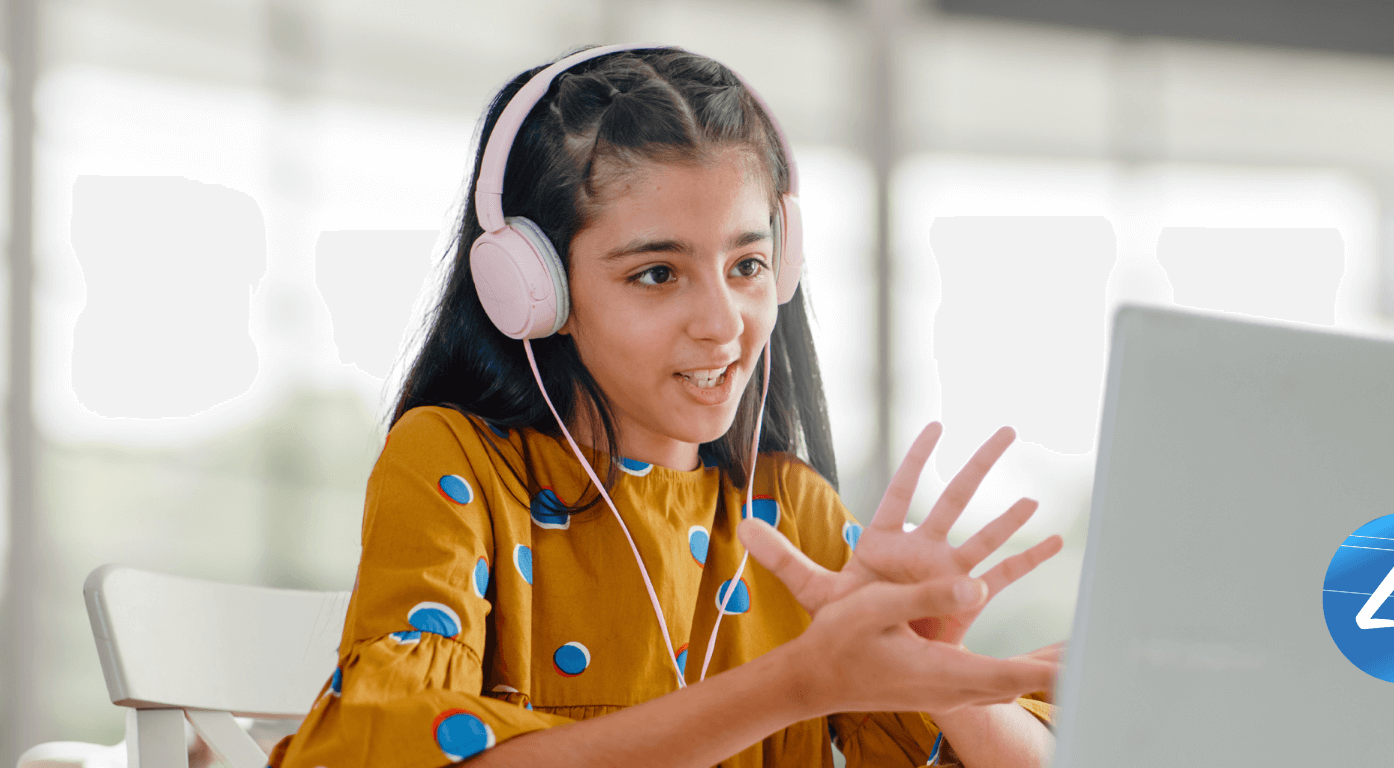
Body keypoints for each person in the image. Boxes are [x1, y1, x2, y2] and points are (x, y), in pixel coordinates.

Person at [270, 45, 1064, 768]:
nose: (723, 324)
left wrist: (955, 686)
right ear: (533, 291)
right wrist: (794, 685)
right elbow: (388, 752)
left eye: (748, 264)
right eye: (657, 274)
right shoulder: (456, 463)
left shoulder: (790, 513)